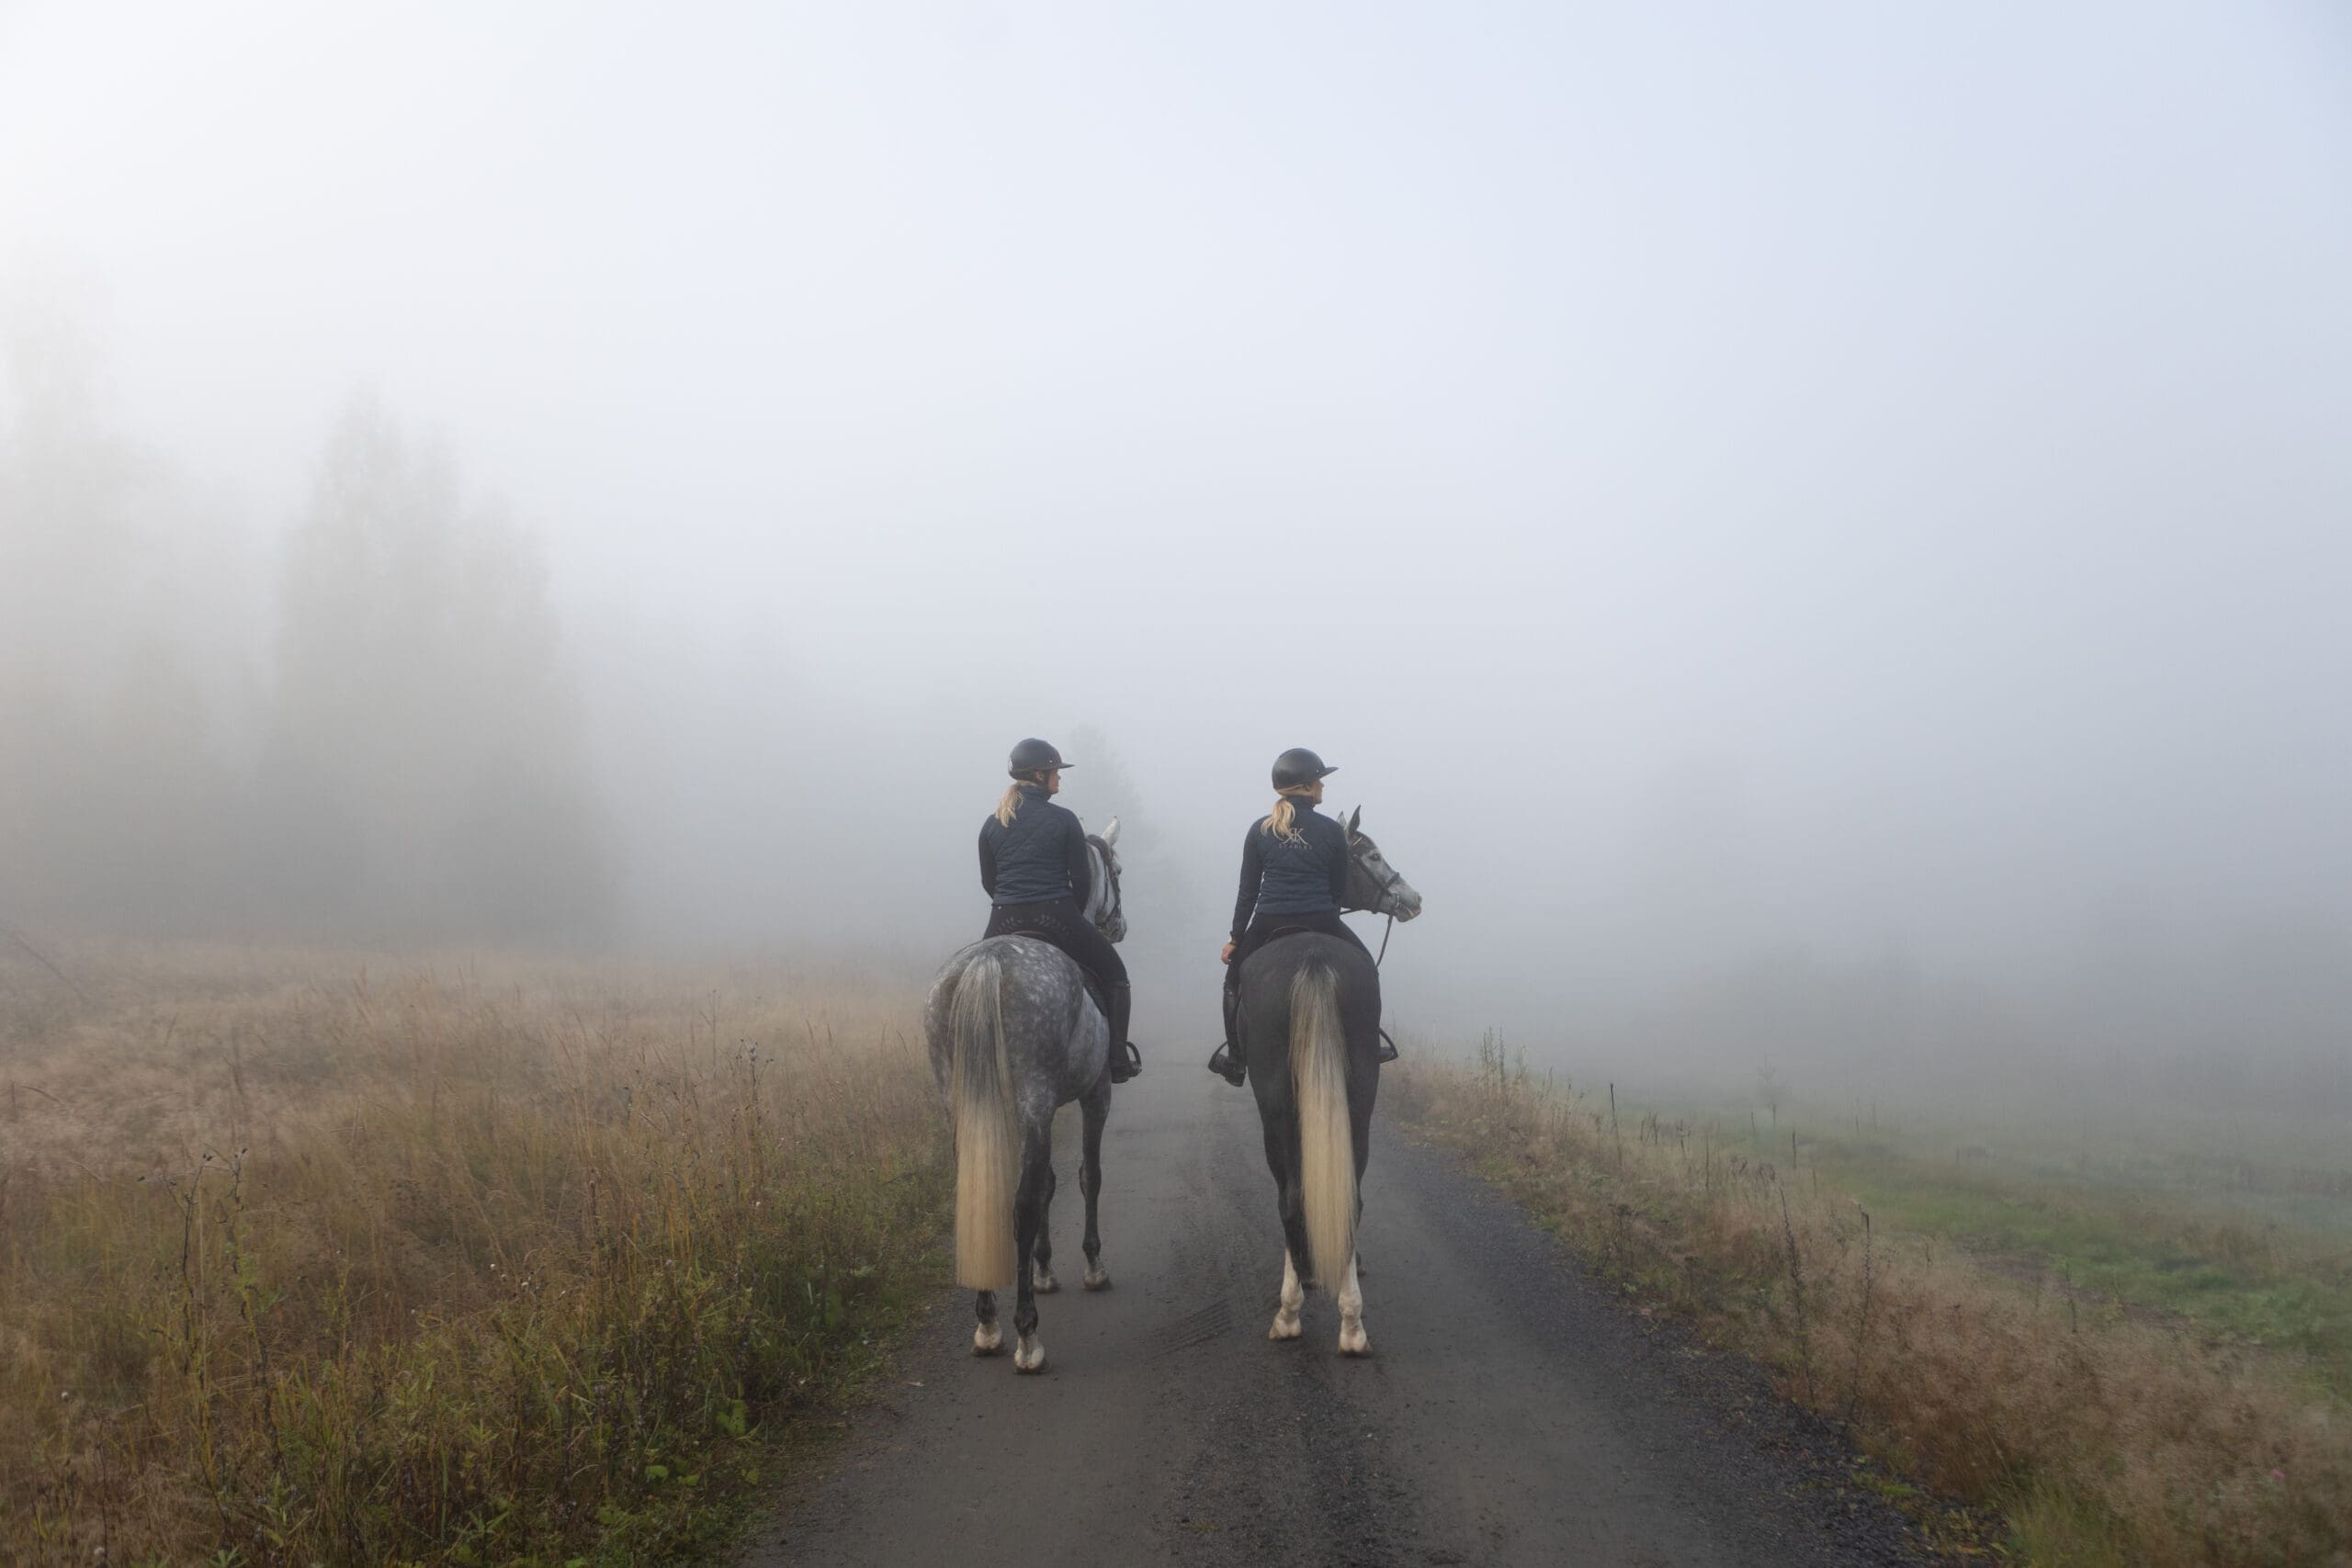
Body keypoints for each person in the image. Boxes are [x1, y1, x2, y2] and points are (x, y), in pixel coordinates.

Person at [1207, 746, 1377, 1087]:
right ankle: (1370, 1045)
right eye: (1320, 780)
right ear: (1307, 786)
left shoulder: (1260, 830)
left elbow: (1247, 892)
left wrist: (1236, 938)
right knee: (1367, 968)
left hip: (1268, 921)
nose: (1323, 786)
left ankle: (1236, 1058)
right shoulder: (1331, 831)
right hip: (1322, 920)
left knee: (1233, 982)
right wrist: (1325, 913)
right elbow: (1338, 889)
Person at [978, 737, 1142, 1083]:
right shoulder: (1064, 819)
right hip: (1057, 916)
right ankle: (1117, 1059)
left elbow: (989, 881)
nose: (1059, 776)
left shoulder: (992, 823)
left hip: (1002, 918)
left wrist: (1011, 901)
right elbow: (1082, 882)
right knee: (1116, 974)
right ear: (1039, 775)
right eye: (1055, 771)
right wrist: (1069, 912)